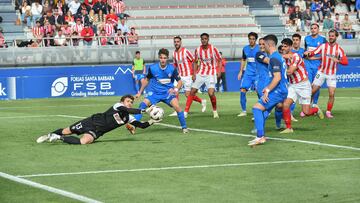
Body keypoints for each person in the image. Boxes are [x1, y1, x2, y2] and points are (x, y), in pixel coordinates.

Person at [36, 95, 159, 145]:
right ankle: (49, 135)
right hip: (92, 121)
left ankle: (57, 137)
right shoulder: (118, 106)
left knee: (83, 142)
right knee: (67, 131)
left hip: (98, 131)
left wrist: (153, 121)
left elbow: (142, 125)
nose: (130, 103)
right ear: (122, 101)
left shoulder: (128, 117)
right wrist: (144, 111)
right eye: (128, 101)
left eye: (131, 102)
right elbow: (128, 110)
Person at [132, 48, 189, 133]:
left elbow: (180, 81)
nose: (163, 60)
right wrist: (139, 93)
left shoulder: (172, 69)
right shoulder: (153, 68)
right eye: (161, 58)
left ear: (167, 58)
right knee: (142, 105)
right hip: (155, 93)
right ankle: (133, 126)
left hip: (167, 94)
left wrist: (176, 89)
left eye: (165, 58)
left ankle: (184, 128)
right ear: (159, 57)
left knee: (177, 107)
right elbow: (146, 80)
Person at [248, 34, 288, 146]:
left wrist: (267, 90)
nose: (262, 46)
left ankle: (260, 136)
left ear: (269, 44)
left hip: (278, 90)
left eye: (264, 44)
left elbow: (278, 77)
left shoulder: (274, 58)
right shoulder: (277, 57)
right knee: (264, 111)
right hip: (281, 89)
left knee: (256, 108)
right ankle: (260, 134)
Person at [280, 38, 324, 134]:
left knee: (306, 112)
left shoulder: (296, 57)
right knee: (285, 105)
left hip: (303, 85)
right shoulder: (283, 57)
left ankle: (316, 109)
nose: (283, 48)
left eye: (285, 46)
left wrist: (279, 71)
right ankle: (289, 128)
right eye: (282, 46)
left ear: (291, 47)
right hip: (292, 85)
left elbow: (290, 71)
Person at [304, 29, 349, 118]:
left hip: (331, 74)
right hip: (321, 72)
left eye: (332, 36)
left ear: (336, 37)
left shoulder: (339, 49)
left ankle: (328, 112)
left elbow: (346, 62)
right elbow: (313, 52)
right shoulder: (323, 46)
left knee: (331, 94)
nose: (331, 37)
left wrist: (338, 60)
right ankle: (307, 109)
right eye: (330, 35)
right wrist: (307, 54)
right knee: (312, 91)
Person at [184, 33, 222, 119]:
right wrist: (194, 73)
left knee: (211, 93)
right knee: (192, 91)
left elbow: (219, 60)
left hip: (211, 73)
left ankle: (215, 111)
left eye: (205, 39)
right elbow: (196, 62)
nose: (204, 40)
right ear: (200, 40)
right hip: (201, 72)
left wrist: (219, 71)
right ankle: (185, 112)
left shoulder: (213, 49)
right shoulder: (198, 50)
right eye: (202, 39)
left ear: (208, 39)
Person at [169, 36, 206, 117]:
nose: (176, 43)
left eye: (178, 41)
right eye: (175, 42)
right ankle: (176, 110)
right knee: (175, 91)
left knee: (187, 95)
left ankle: (202, 101)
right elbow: (175, 65)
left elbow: (194, 61)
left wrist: (194, 73)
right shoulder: (174, 53)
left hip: (188, 76)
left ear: (181, 42)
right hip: (180, 76)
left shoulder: (185, 51)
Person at [302, 23, 326, 117]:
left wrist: (315, 58)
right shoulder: (307, 39)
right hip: (308, 65)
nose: (313, 30)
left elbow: (325, 52)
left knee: (316, 85)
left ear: (318, 29)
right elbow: (305, 51)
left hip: (318, 66)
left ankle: (315, 103)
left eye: (315, 28)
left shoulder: (323, 39)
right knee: (308, 85)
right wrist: (306, 55)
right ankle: (307, 105)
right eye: (311, 28)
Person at [237, 32, 259, 117]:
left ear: (255, 40)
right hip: (248, 74)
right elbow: (243, 59)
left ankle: (263, 109)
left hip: (257, 74)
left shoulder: (259, 48)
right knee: (242, 90)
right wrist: (240, 71)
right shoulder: (245, 48)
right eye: (250, 39)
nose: (251, 40)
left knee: (259, 92)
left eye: (253, 39)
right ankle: (243, 111)